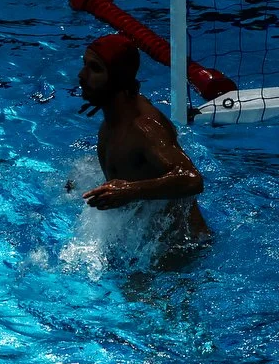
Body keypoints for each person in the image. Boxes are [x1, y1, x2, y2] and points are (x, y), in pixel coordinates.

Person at [77, 33, 207, 239]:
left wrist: (130, 190)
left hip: (182, 250)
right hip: (146, 240)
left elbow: (192, 179)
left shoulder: (143, 128)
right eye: (85, 65)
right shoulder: (114, 118)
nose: (82, 75)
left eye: (95, 68)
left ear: (117, 78)